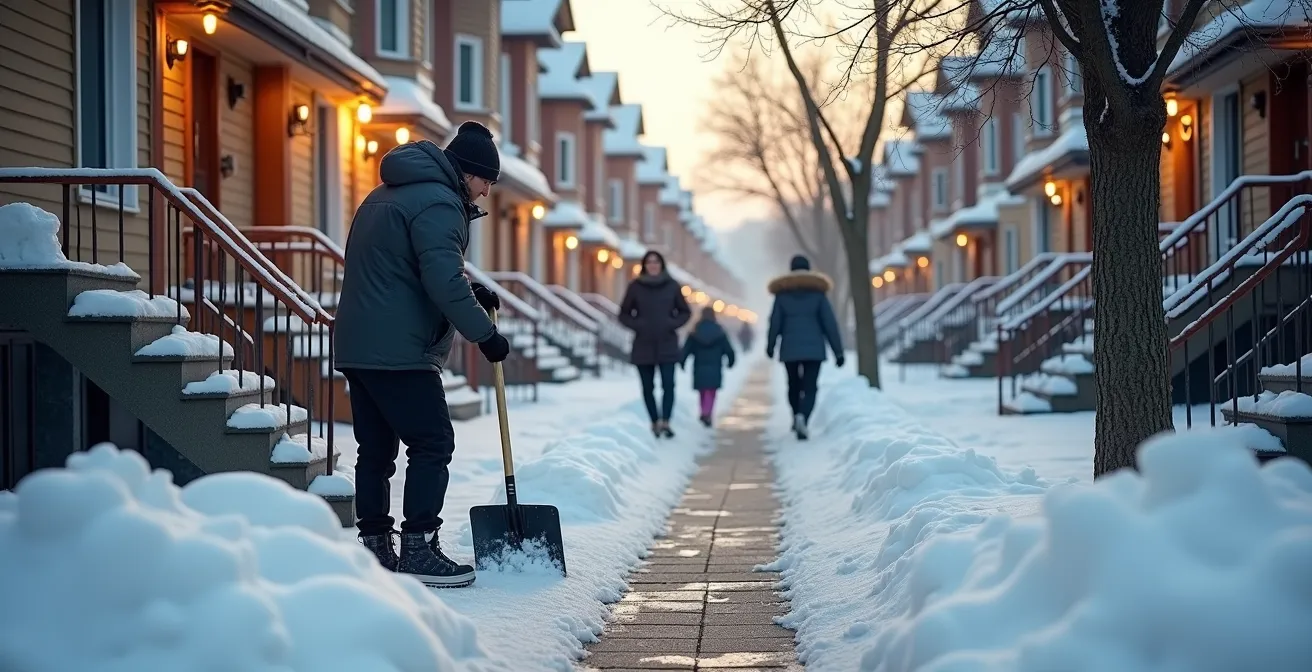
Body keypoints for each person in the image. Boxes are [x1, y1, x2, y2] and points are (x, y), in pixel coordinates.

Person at [333, 121, 511, 588]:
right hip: (399, 348)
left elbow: (404, 267)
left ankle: (375, 547)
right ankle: (419, 547)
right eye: (486, 180)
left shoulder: (385, 194)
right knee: (433, 443)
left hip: (358, 343)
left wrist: (470, 291)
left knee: (375, 449)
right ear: (467, 172)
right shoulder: (440, 202)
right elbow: (441, 279)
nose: (486, 192)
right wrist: (485, 334)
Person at [765, 254, 844, 440]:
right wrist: (838, 351)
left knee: (793, 384)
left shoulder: (782, 296)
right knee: (810, 386)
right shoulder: (819, 295)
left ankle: (795, 415)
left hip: (790, 348)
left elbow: (775, 323)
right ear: (808, 270)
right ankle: (803, 417)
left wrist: (771, 345)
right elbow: (829, 324)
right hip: (814, 349)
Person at [618, 250, 692, 438]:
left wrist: (671, 323)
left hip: (667, 343)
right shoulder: (635, 287)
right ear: (644, 265)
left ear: (661, 265)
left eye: (656, 262)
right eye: (649, 262)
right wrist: (638, 325)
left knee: (668, 385)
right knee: (647, 387)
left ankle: (666, 421)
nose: (653, 265)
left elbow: (685, 312)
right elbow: (623, 314)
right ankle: (654, 421)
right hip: (643, 344)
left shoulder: (672, 286)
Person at [681, 306, 737, 427]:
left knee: (702, 391)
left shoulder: (695, 331)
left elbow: (686, 349)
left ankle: (704, 411)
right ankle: (708, 413)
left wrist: (682, 361)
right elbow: (728, 349)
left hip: (699, 364)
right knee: (711, 391)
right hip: (715, 365)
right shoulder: (720, 332)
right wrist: (731, 360)